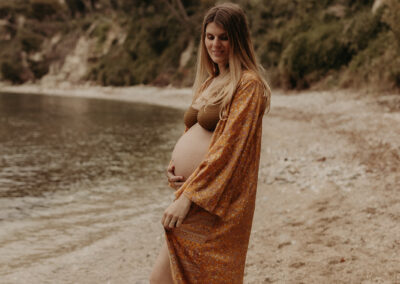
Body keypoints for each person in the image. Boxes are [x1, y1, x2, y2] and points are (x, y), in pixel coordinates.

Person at [150, 2, 271, 283]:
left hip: (216, 202)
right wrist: (174, 169)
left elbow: (230, 148)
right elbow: (192, 133)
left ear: (238, 39)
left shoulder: (248, 84)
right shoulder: (210, 82)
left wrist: (189, 198)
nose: (215, 44)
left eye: (224, 37)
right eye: (210, 37)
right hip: (194, 194)